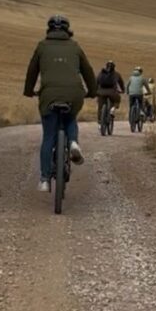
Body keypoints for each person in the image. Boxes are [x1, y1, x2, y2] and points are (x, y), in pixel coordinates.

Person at [24, 15, 96, 192]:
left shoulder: (42, 46)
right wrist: (92, 91)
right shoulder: (75, 46)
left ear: (49, 29)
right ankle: (72, 142)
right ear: (67, 30)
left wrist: (28, 91)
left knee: (49, 136)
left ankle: (45, 179)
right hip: (74, 93)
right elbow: (88, 70)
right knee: (70, 118)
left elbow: (32, 70)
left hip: (49, 94)